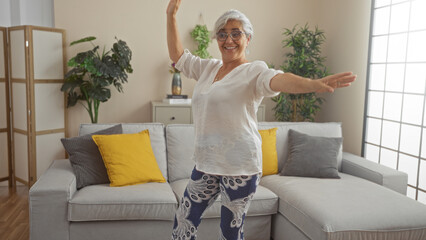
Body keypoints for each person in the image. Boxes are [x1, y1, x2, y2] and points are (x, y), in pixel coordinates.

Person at [166, 0, 356, 239]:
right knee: (183, 222)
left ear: (248, 38)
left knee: (230, 232)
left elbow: (278, 79)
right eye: (223, 34)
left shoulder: (254, 70)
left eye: (237, 33)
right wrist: (171, 14)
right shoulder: (207, 68)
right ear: (216, 39)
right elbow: (178, 56)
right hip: (206, 164)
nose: (229, 40)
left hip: (240, 166)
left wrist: (312, 84)